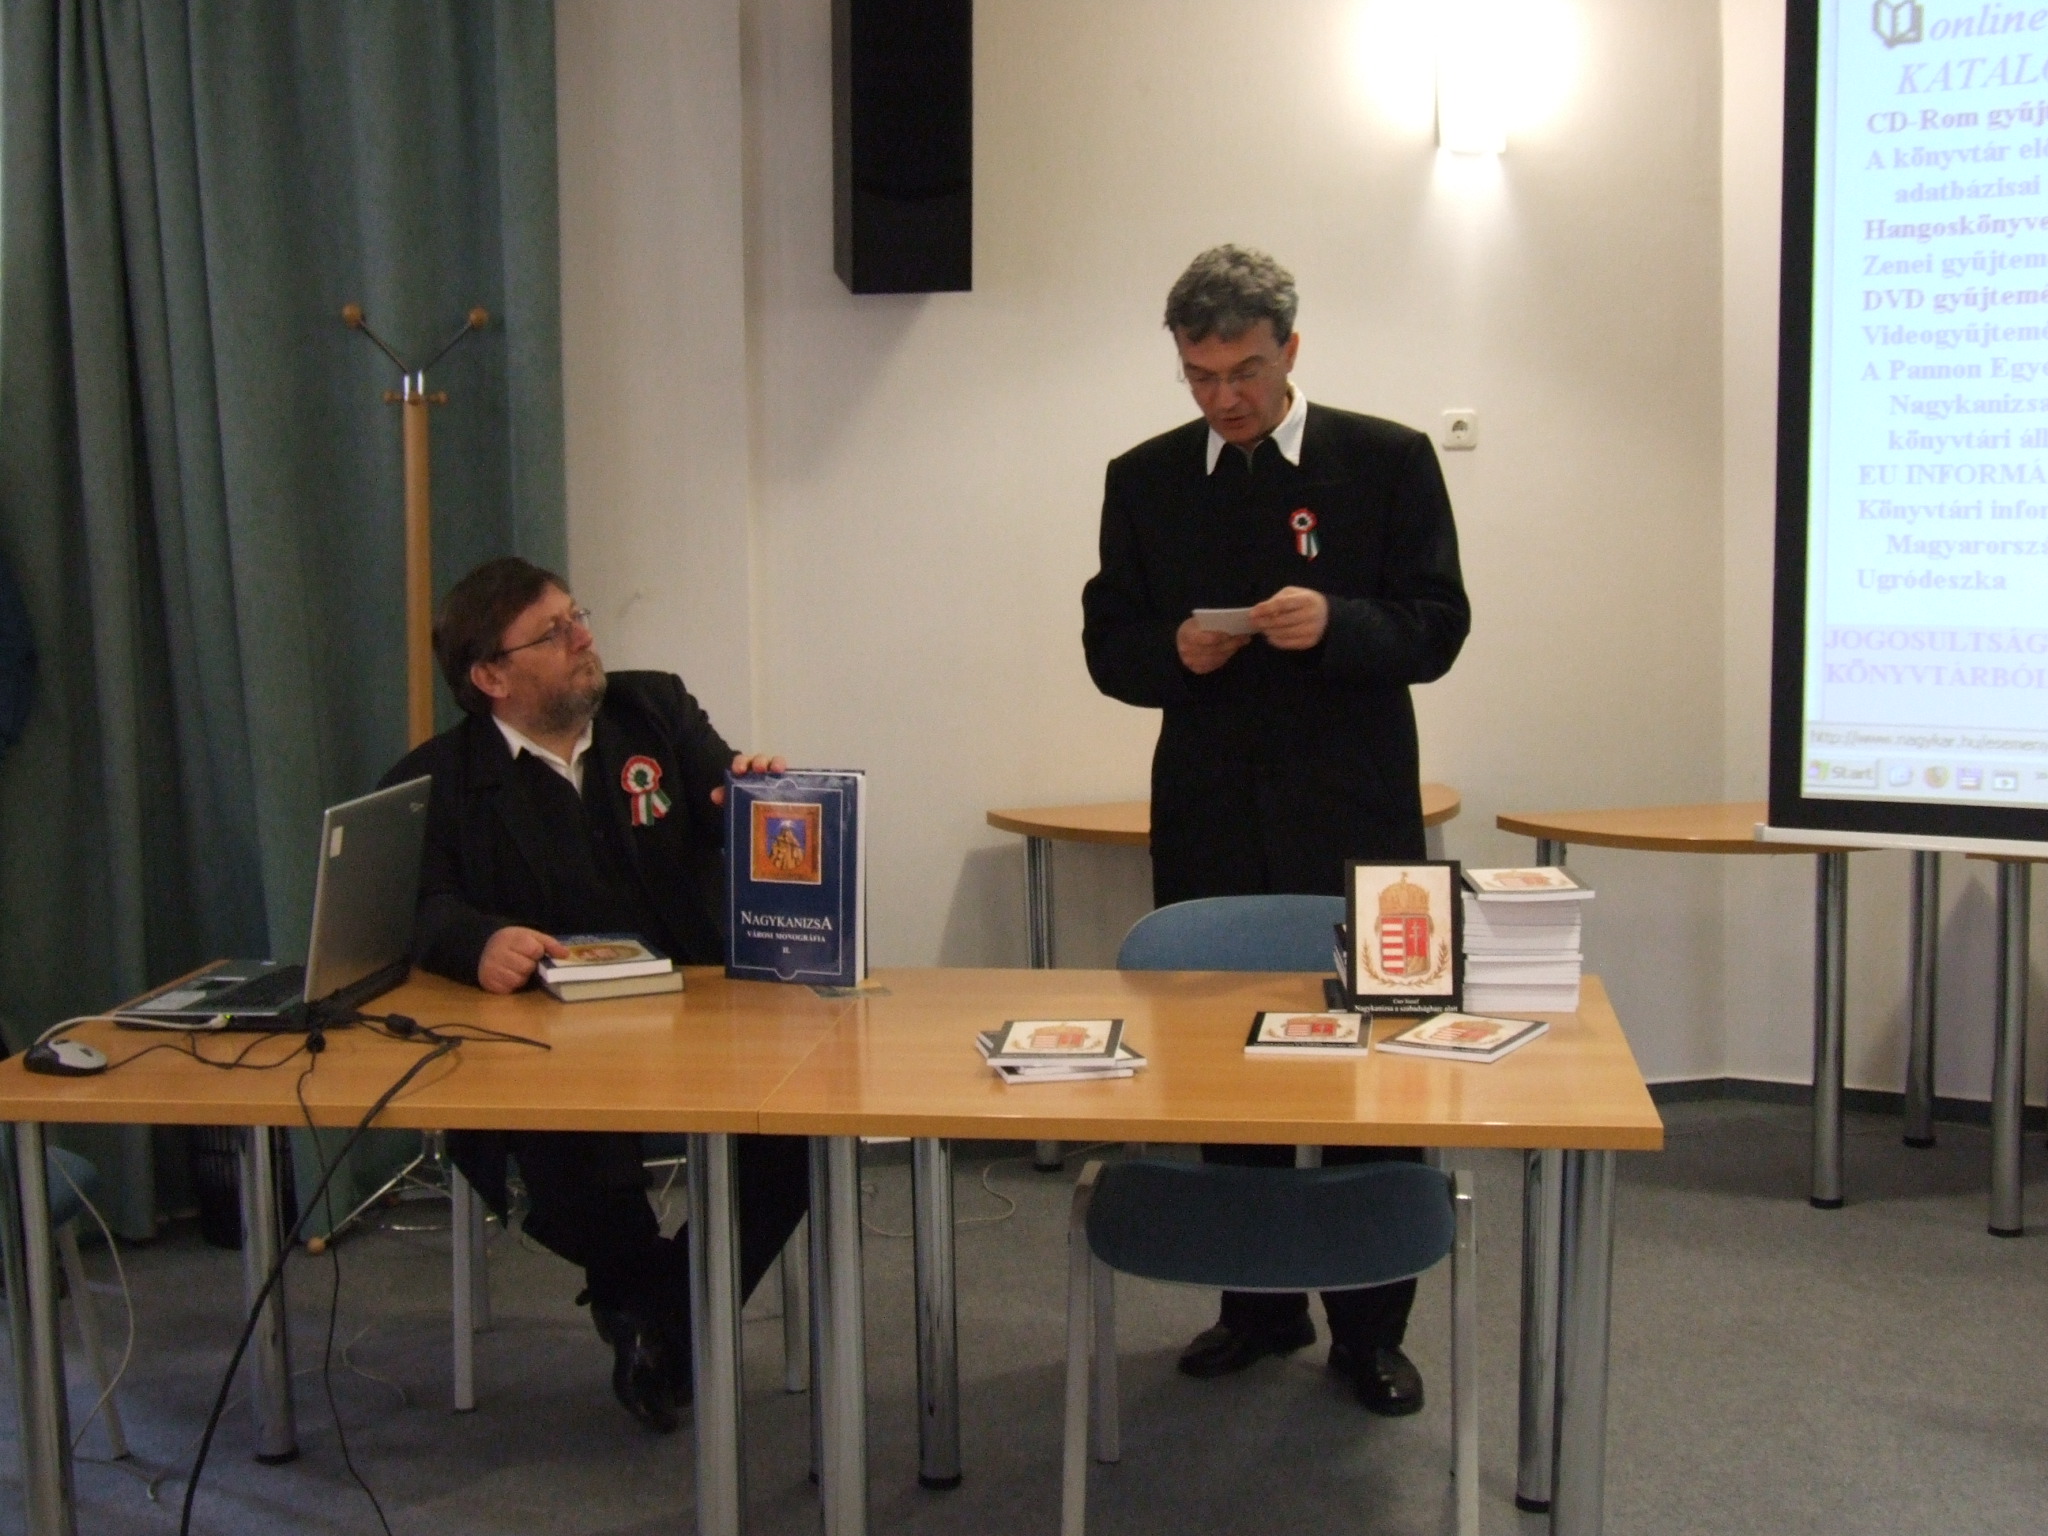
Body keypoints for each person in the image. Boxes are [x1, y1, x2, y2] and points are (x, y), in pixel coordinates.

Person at [1081, 246, 1470, 1414]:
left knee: (1378, 1070)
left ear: (1289, 350)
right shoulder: (1143, 477)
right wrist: (1172, 650)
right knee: (1221, 1064)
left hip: (1357, 815)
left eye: (1243, 371)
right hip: (1209, 815)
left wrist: (1338, 623)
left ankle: (1370, 1329)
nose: (1223, 397)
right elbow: (1108, 647)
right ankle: (1254, 1306)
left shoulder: (1386, 459)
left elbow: (1437, 627)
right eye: (1198, 376)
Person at [381, 556, 809, 1435]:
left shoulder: (653, 709)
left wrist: (753, 792)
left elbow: (722, 795)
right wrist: (476, 941)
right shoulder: (437, 781)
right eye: (554, 631)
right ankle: (662, 1312)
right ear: (490, 677)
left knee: (800, 1134)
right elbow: (414, 909)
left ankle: (655, 1316)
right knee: (560, 1148)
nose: (584, 636)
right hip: (548, 1040)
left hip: (696, 1016)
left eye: (576, 615)